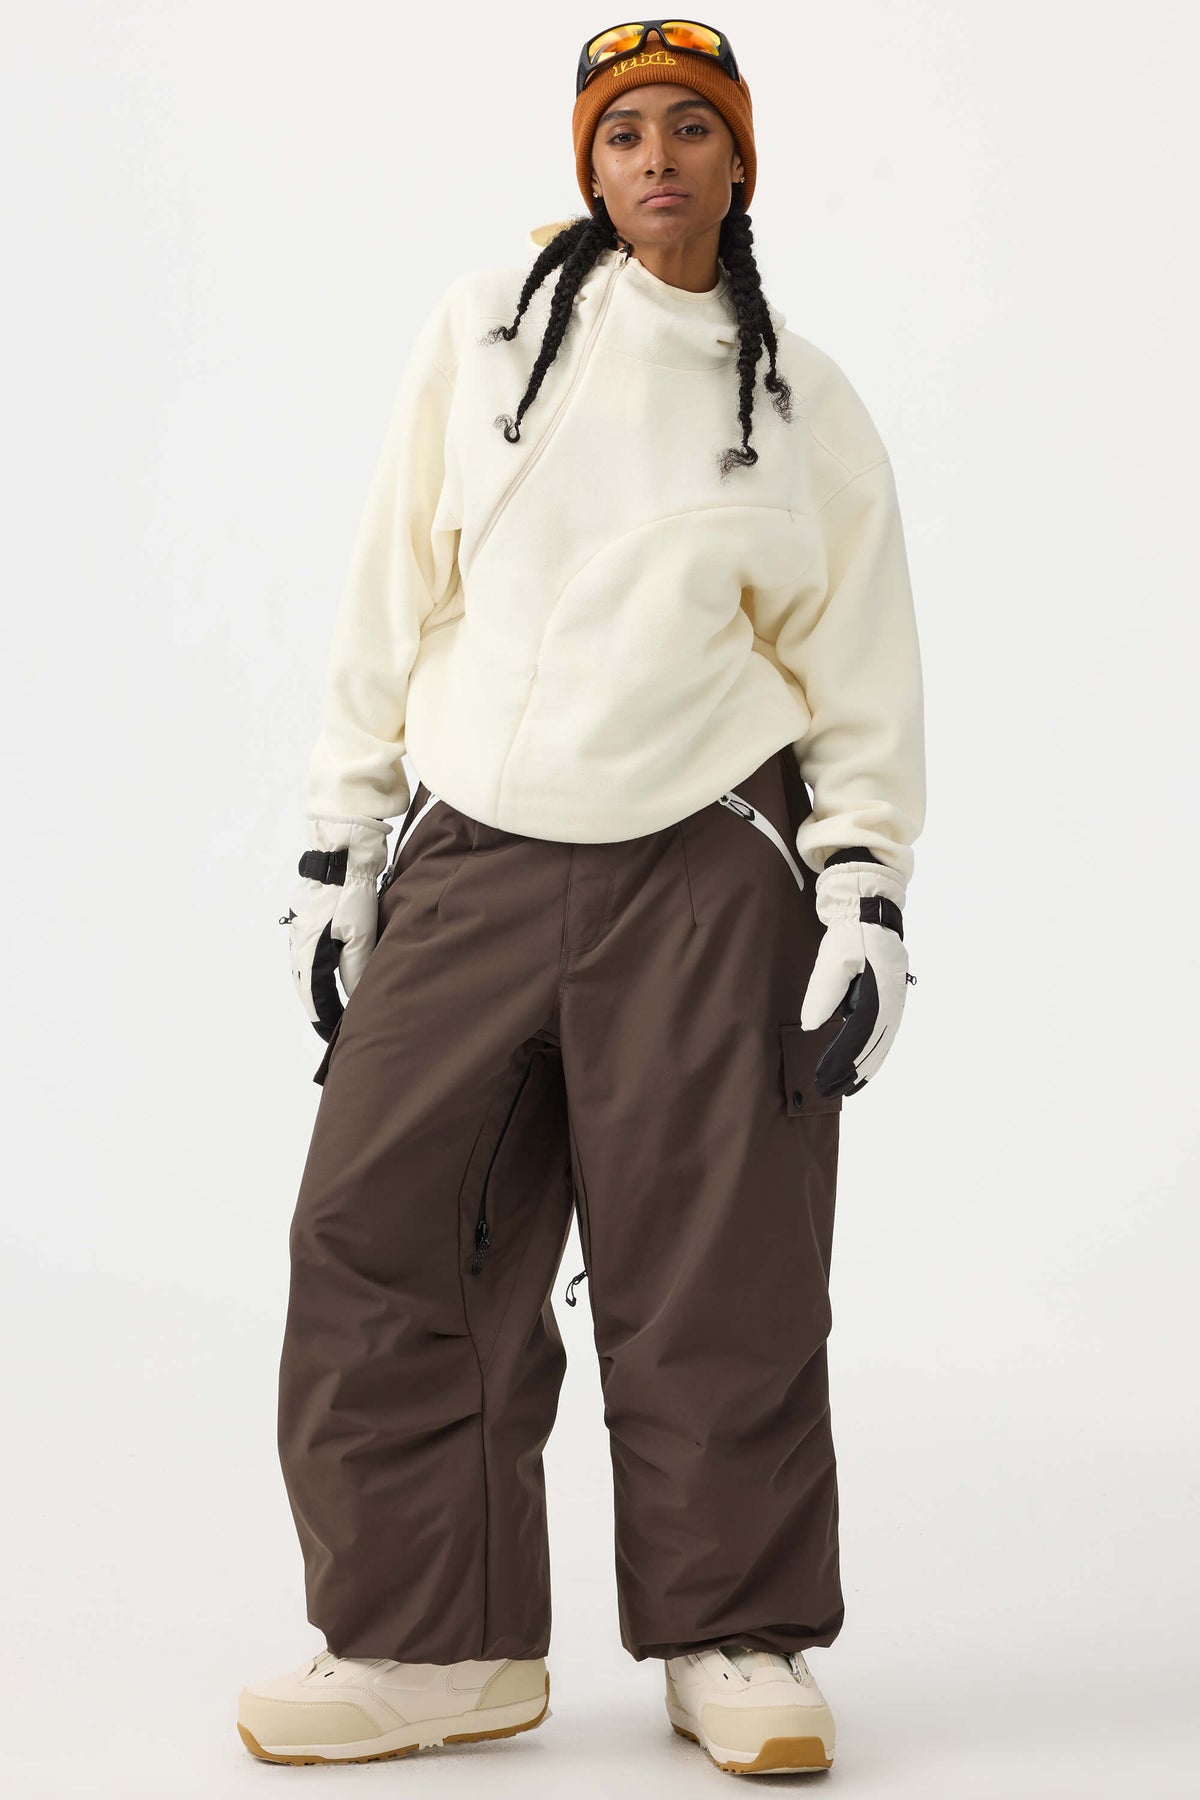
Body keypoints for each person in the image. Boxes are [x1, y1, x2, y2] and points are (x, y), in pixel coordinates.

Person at [238, 18, 925, 1778]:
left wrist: (864, 889)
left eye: (691, 128)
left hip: (708, 856)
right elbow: (391, 587)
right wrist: (339, 845)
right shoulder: (485, 334)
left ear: (740, 160)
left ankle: (735, 1636)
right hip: (474, 843)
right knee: (380, 1233)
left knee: (716, 1262)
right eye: (624, 134)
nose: (656, 160)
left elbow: (858, 666)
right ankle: (433, 1646)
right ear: (588, 164)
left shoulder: (799, 401)